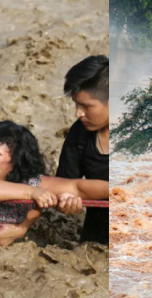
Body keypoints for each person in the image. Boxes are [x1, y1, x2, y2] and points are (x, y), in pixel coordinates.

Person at [55, 55, 109, 245]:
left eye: (86, 106)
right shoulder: (79, 132)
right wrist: (65, 201)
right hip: (96, 240)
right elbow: (63, 184)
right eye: (76, 105)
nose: (79, 113)